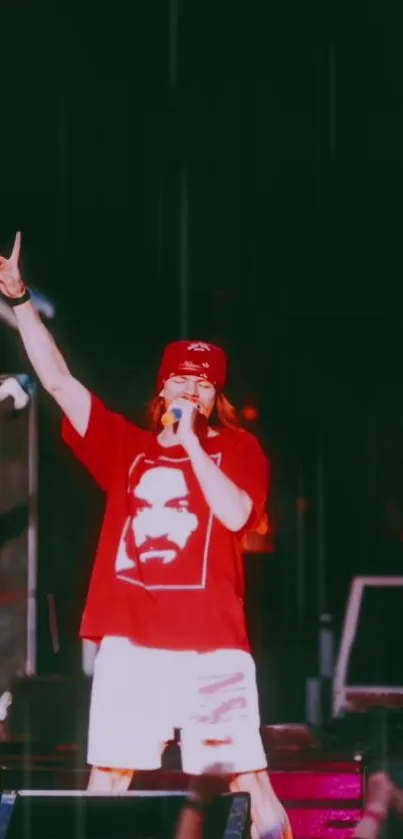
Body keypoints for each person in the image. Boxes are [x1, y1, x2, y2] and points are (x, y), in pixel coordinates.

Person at [0, 233, 292, 839]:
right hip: (132, 641)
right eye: (181, 379)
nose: (192, 388)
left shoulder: (237, 448)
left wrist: (190, 442)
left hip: (211, 644)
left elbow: (237, 516)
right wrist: (21, 299)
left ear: (214, 399)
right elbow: (57, 380)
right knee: (107, 779)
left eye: (205, 383)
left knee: (247, 778)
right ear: (162, 389)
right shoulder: (124, 448)